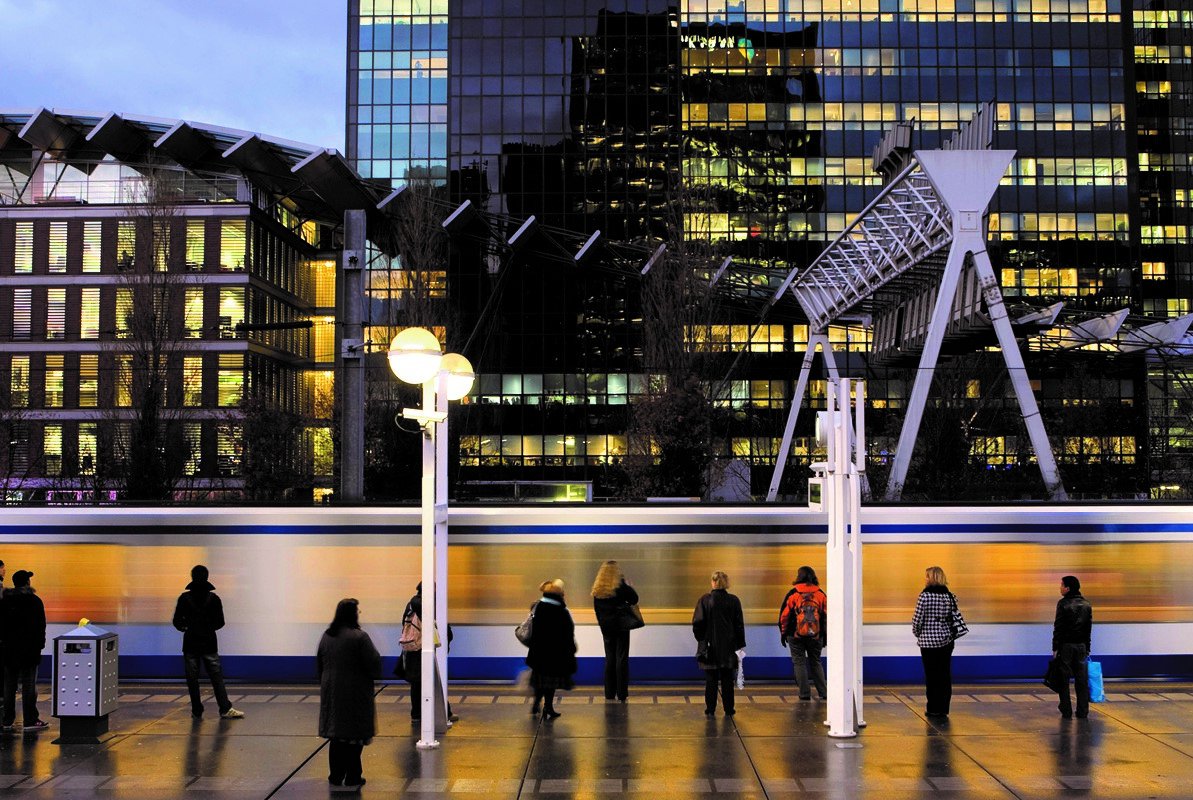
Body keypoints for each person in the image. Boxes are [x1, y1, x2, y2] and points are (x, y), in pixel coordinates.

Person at [317, 598, 381, 791]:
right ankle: (353, 776)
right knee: (354, 735)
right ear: (352, 614)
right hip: (354, 692)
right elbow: (374, 664)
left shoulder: (327, 636)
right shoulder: (359, 637)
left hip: (331, 692)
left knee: (336, 735)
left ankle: (336, 775)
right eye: (357, 611)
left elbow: (319, 664)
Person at [171, 565, 244, 720]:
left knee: (192, 679)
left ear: (192, 577)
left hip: (190, 644)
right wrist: (207, 628)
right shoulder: (214, 599)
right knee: (216, 678)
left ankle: (197, 710)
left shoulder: (184, 598)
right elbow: (220, 622)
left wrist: (187, 627)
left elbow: (177, 621)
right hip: (209, 644)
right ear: (207, 577)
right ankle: (225, 708)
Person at [400, 582, 455, 725]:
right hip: (423, 648)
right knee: (433, 680)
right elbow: (436, 624)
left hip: (414, 649)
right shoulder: (424, 604)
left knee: (418, 683)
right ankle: (443, 713)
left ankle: (418, 714)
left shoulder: (411, 604)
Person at [692, 570, 746, 716]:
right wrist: (740, 644)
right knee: (728, 679)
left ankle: (710, 709)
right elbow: (739, 625)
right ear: (727, 583)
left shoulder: (705, 600)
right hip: (729, 647)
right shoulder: (734, 601)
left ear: (713, 582)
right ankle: (729, 708)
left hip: (710, 647)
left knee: (711, 680)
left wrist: (702, 640)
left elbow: (697, 623)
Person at [912, 566, 961, 718]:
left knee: (932, 676)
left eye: (927, 576)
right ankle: (944, 708)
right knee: (944, 675)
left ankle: (933, 708)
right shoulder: (950, 596)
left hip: (928, 644)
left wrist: (919, 633)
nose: (925, 579)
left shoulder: (924, 597)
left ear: (932, 578)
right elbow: (953, 618)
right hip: (947, 641)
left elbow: (917, 620)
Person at [1, 570, 47, 731]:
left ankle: (7, 720)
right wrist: (40, 645)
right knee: (28, 685)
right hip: (29, 651)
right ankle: (30, 720)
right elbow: (41, 626)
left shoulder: (5, 601)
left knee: (9, 685)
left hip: (9, 650)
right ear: (27, 582)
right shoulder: (34, 601)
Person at [526, 579, 577, 720]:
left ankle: (536, 704)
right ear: (559, 595)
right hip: (555, 654)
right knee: (550, 683)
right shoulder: (561, 610)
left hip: (538, 652)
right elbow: (568, 632)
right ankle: (548, 707)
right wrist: (571, 649)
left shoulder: (538, 606)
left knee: (539, 680)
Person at [591, 560, 639, 702]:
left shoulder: (598, 591)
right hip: (621, 626)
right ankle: (622, 693)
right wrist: (629, 586)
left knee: (610, 659)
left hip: (606, 628)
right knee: (621, 659)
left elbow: (597, 611)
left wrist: (602, 625)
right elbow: (634, 599)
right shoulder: (620, 586)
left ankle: (609, 693)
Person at [778, 565, 827, 701]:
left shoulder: (793, 594)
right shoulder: (820, 594)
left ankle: (804, 694)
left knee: (799, 663)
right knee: (815, 662)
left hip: (795, 635)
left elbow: (784, 617)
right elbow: (827, 616)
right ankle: (824, 692)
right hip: (816, 635)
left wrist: (783, 633)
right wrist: (824, 635)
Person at [1053, 575, 1093, 719]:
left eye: (1062, 585)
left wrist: (1055, 647)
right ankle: (1083, 711)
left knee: (1063, 680)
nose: (1060, 588)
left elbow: (1058, 628)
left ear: (1068, 588)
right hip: (1081, 647)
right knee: (1081, 680)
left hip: (1066, 647)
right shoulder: (1087, 604)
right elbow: (1088, 629)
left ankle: (1066, 709)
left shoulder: (1063, 604)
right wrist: (1087, 648)